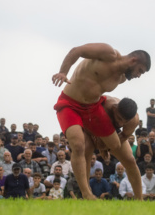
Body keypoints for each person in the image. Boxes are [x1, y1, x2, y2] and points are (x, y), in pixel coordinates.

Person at [52, 43, 150, 199]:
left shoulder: (121, 78)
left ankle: (140, 201)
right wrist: (63, 72)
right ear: (133, 60)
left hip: (93, 108)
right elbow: (77, 51)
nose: (139, 75)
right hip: (69, 104)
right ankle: (86, 194)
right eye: (140, 71)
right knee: (78, 145)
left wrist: (102, 145)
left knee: (119, 149)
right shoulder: (108, 53)